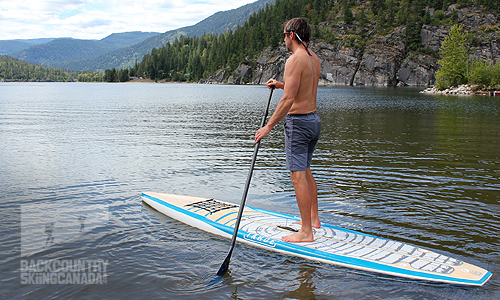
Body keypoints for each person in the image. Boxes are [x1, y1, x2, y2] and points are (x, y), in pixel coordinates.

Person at [254, 17, 321, 243]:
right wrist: (281, 84)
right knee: (306, 169)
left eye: (284, 35)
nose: (283, 39)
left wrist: (268, 126)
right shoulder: (314, 59)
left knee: (297, 176)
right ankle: (313, 220)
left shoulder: (294, 60)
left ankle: (305, 232)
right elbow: (303, 89)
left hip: (299, 124)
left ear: (292, 34)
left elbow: (289, 100)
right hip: (313, 121)